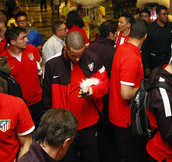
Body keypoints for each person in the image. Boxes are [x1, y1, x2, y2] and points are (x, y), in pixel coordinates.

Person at [43, 31, 109, 162]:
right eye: (74, 55)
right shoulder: (52, 65)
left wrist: (93, 90)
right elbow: (47, 99)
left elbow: (105, 83)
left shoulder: (92, 58)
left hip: (89, 124)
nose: (78, 59)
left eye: (80, 54)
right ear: (65, 47)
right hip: (64, 126)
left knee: (91, 157)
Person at [108, 19, 148, 162]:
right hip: (125, 118)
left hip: (118, 113)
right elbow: (125, 93)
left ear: (130, 32)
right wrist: (145, 90)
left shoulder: (124, 48)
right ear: (145, 36)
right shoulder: (131, 57)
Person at [87, 20, 118, 162]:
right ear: (111, 34)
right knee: (107, 133)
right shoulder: (114, 52)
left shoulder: (90, 49)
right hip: (109, 97)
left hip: (92, 97)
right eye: (116, 33)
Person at [2, 27, 43, 128]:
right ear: (12, 42)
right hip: (19, 106)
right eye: (23, 38)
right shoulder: (4, 60)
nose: (27, 40)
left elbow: (40, 67)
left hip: (38, 101)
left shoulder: (31, 50)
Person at [142, 5, 172, 77]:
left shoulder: (170, 27)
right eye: (164, 14)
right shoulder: (150, 28)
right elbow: (145, 48)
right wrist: (146, 66)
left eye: (167, 14)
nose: (166, 16)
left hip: (167, 60)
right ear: (158, 15)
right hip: (154, 61)